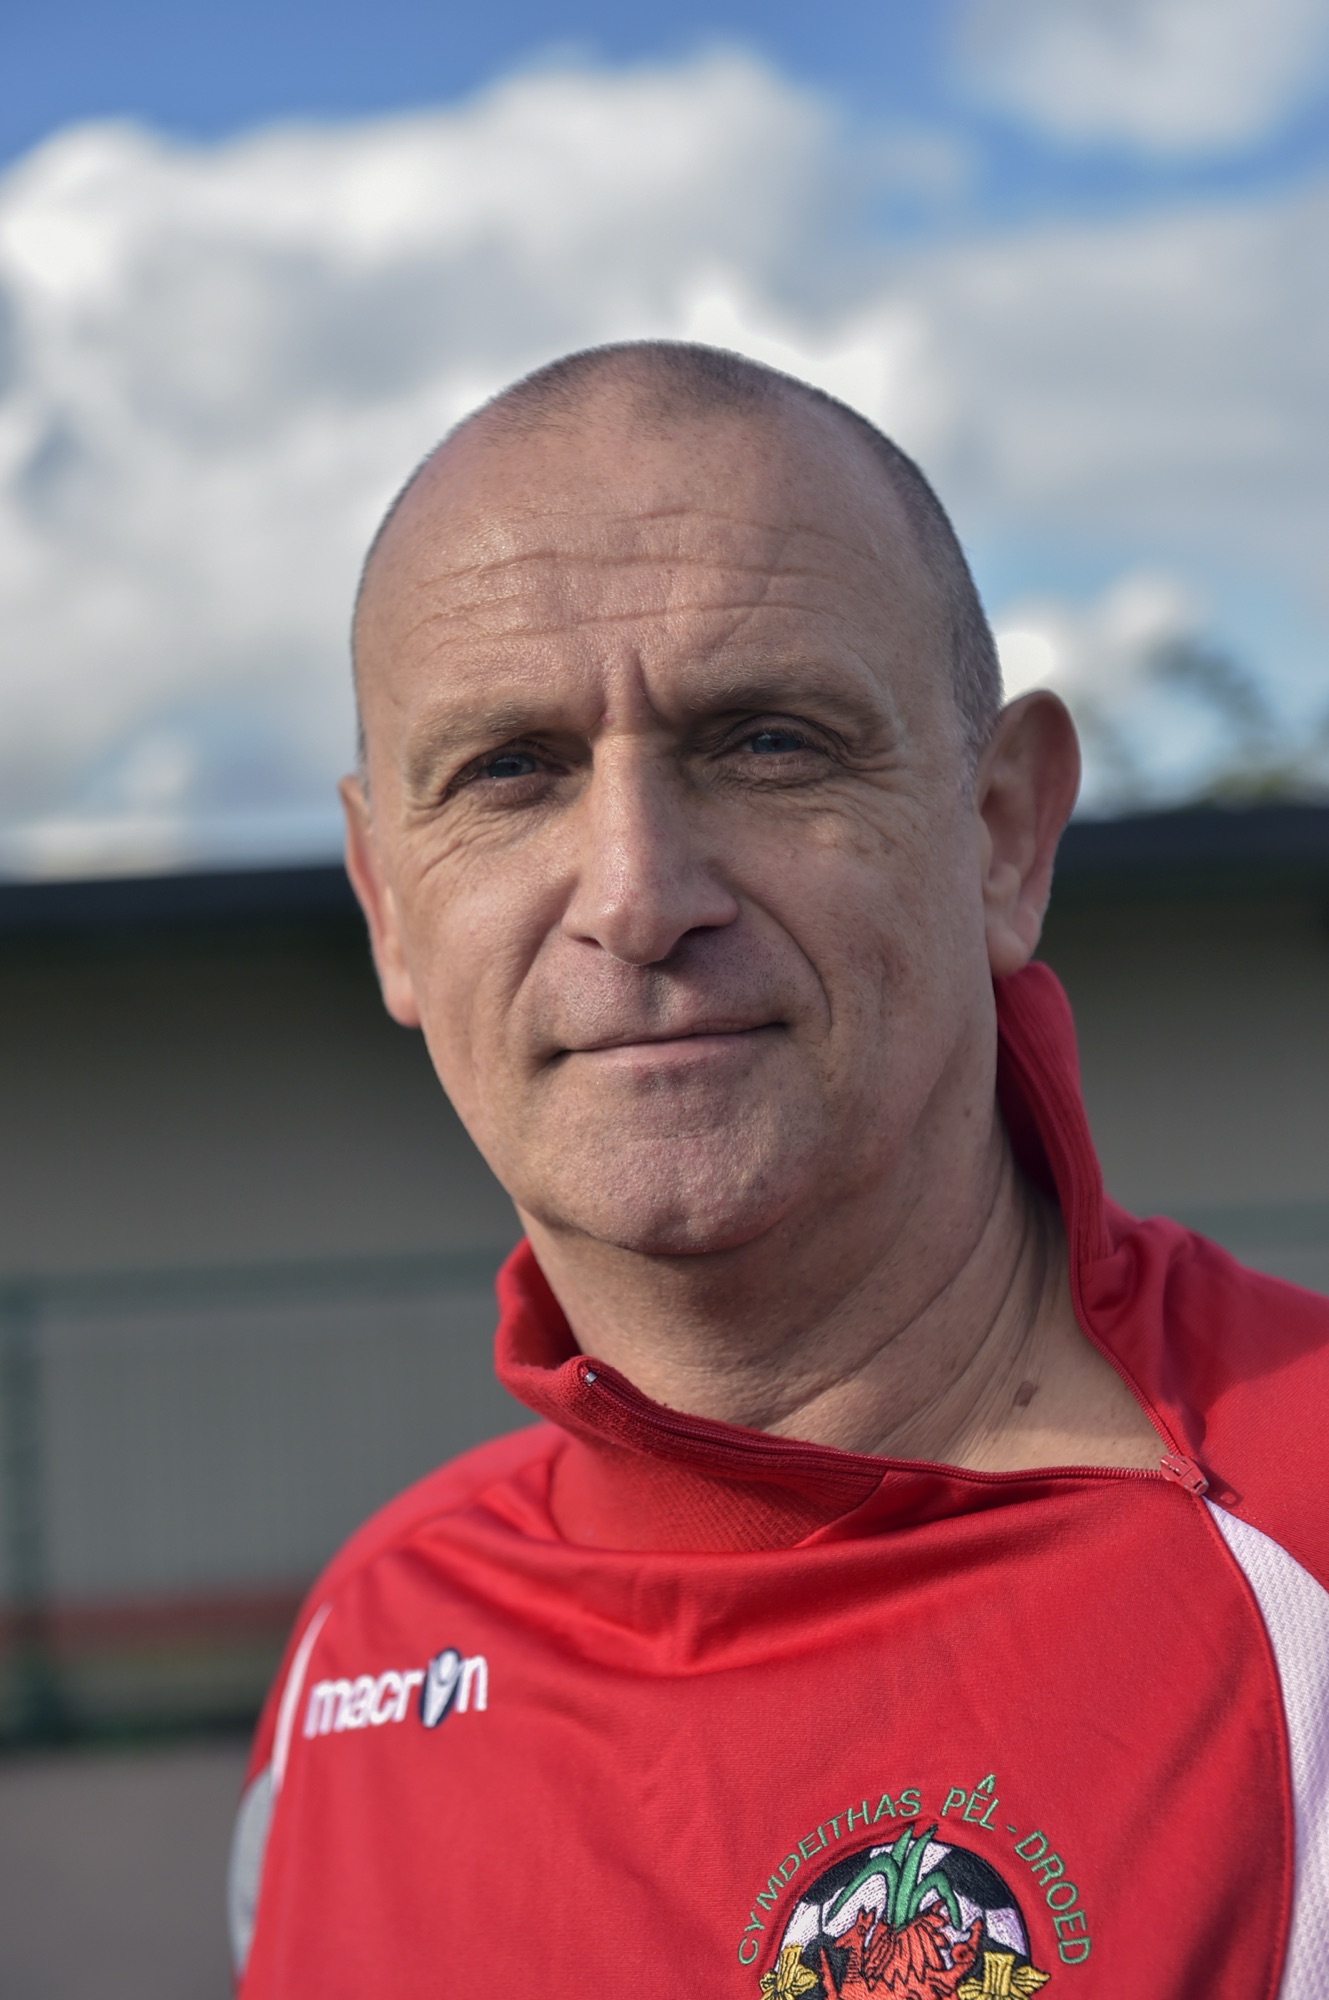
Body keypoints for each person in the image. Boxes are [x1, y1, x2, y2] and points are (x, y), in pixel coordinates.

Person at [229, 343, 1329, 1999]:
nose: (636, 896)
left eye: (766, 743)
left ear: (1003, 833)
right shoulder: (362, 1649)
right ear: (386, 903)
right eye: (509, 768)